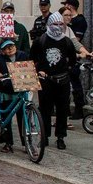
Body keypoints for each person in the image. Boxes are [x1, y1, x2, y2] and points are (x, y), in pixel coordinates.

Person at [32, 12, 77, 151]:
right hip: (46, 80)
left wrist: (66, 71)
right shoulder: (41, 41)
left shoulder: (67, 41)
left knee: (62, 110)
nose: (58, 27)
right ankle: (44, 136)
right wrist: (39, 71)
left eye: (60, 24)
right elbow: (32, 59)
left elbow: (73, 60)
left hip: (62, 80)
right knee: (45, 109)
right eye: (55, 24)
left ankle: (61, 137)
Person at [0, 39, 31, 153]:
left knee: (23, 116)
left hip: (21, 89)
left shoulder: (23, 55)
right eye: (7, 48)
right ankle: (7, 143)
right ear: (2, 51)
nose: (10, 49)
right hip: (6, 90)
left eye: (11, 46)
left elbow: (30, 67)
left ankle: (26, 143)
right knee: (6, 117)